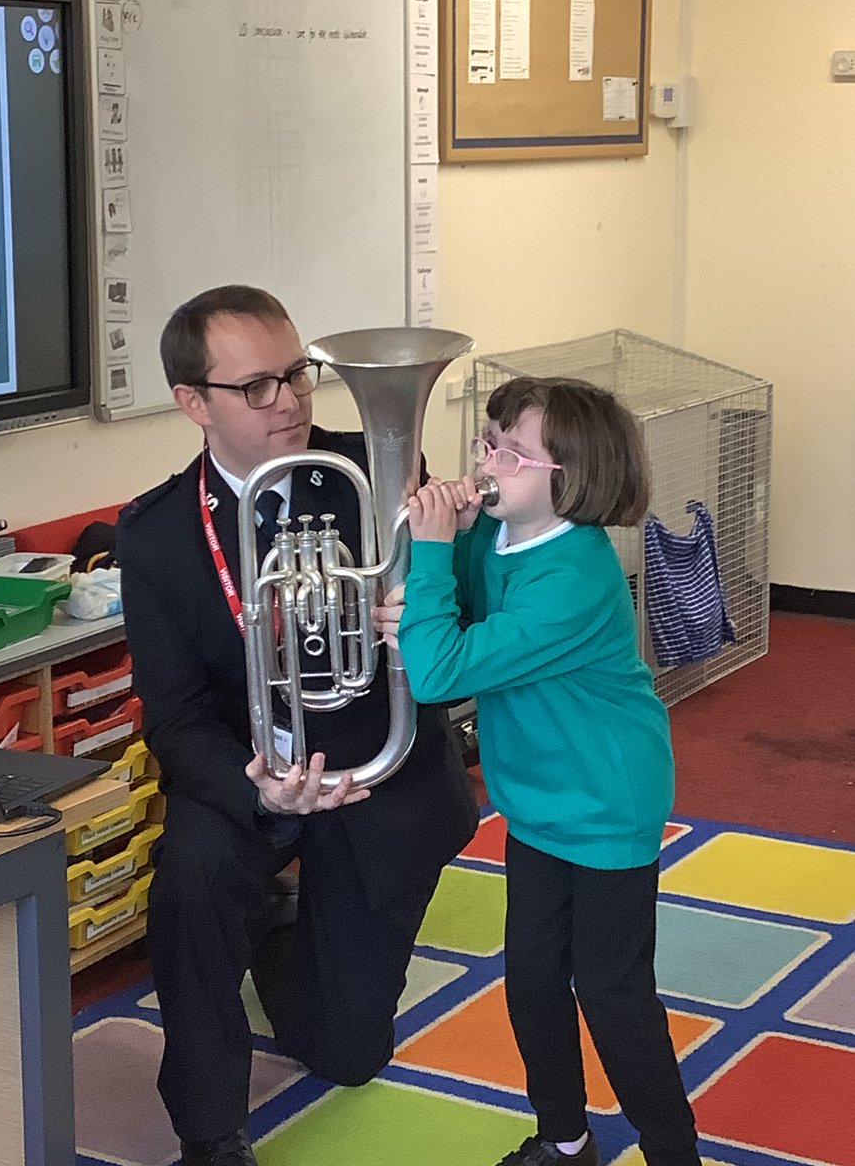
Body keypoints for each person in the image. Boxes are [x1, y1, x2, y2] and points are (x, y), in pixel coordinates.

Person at [116, 284, 477, 1166]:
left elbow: (458, 639)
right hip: (254, 769)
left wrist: (436, 591)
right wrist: (257, 783)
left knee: (347, 1054)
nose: (290, 403)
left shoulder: (380, 473)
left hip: (376, 770)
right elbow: (175, 715)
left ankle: (281, 932)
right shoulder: (157, 534)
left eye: (298, 376)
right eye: (257, 388)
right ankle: (209, 1128)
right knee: (191, 885)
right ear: (192, 402)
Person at [394, 376, 702, 1166]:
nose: (487, 461)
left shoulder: (575, 575)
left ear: (571, 478)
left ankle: (674, 1151)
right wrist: (438, 548)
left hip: (606, 801)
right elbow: (444, 606)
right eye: (487, 442)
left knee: (612, 992)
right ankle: (564, 1139)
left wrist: (428, 557)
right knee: (532, 978)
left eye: (512, 452)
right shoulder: (496, 538)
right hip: (533, 798)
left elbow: (438, 673)